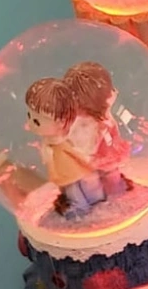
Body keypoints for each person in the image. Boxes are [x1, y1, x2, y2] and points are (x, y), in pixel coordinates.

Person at [24, 78, 104, 219]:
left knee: (76, 186)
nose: (29, 123)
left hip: (68, 166)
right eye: (29, 115)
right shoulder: (53, 141)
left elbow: (73, 149)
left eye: (36, 121)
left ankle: (86, 205)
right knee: (73, 187)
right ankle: (84, 205)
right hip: (66, 167)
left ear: (61, 122)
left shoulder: (61, 140)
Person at [63, 61, 132, 198]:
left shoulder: (99, 112)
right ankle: (98, 198)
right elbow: (78, 143)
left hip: (105, 149)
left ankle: (114, 192)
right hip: (92, 155)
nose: (114, 92)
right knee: (92, 179)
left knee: (110, 174)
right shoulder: (82, 122)